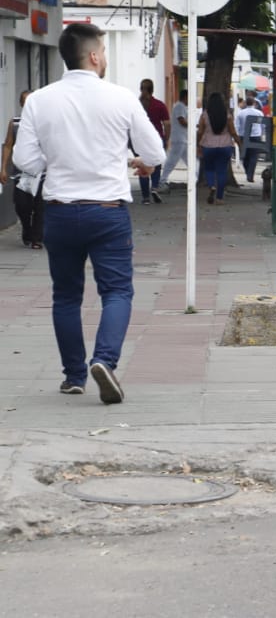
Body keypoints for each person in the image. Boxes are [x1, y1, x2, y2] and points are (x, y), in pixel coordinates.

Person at [13, 22, 164, 402]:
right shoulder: (121, 97)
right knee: (117, 291)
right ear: (95, 56)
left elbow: (25, 161)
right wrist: (139, 163)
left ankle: (74, 376)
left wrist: (60, 157)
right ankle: (105, 362)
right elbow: (156, 154)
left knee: (65, 296)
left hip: (60, 213)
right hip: (107, 212)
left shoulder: (39, 100)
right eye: (105, 52)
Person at [1, 90, 42, 249]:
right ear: (21, 104)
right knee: (21, 205)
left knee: (41, 207)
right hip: (21, 173)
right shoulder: (16, 122)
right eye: (25, 102)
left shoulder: (45, 121)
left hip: (42, 173)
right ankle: (27, 229)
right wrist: (3, 168)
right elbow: (8, 145)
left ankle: (37, 239)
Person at [196, 92, 240, 205]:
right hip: (225, 146)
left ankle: (211, 186)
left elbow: (200, 131)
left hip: (208, 146)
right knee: (221, 171)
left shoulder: (204, 115)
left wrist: (198, 144)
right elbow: (233, 131)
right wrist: (239, 142)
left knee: (209, 169)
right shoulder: (227, 115)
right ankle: (219, 198)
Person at [138, 79, 169, 204]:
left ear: (141, 89)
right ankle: (154, 188)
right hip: (156, 139)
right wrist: (166, 138)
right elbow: (167, 124)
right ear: (153, 89)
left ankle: (145, 198)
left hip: (140, 140)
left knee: (142, 165)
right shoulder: (159, 105)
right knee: (156, 164)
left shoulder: (136, 104)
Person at [158, 91, 190, 190]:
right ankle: (162, 181)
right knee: (172, 161)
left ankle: (195, 177)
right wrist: (192, 125)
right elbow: (181, 120)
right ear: (185, 97)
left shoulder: (181, 106)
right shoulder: (179, 106)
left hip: (183, 138)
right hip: (179, 139)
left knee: (192, 161)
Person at [236, 96, 266, 182]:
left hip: (243, 136)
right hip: (256, 136)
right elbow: (263, 125)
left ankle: (247, 172)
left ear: (245, 103)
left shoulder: (241, 113)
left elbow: (237, 125)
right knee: (253, 156)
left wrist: (237, 136)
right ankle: (250, 174)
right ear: (254, 103)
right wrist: (262, 133)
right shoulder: (259, 113)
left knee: (245, 156)